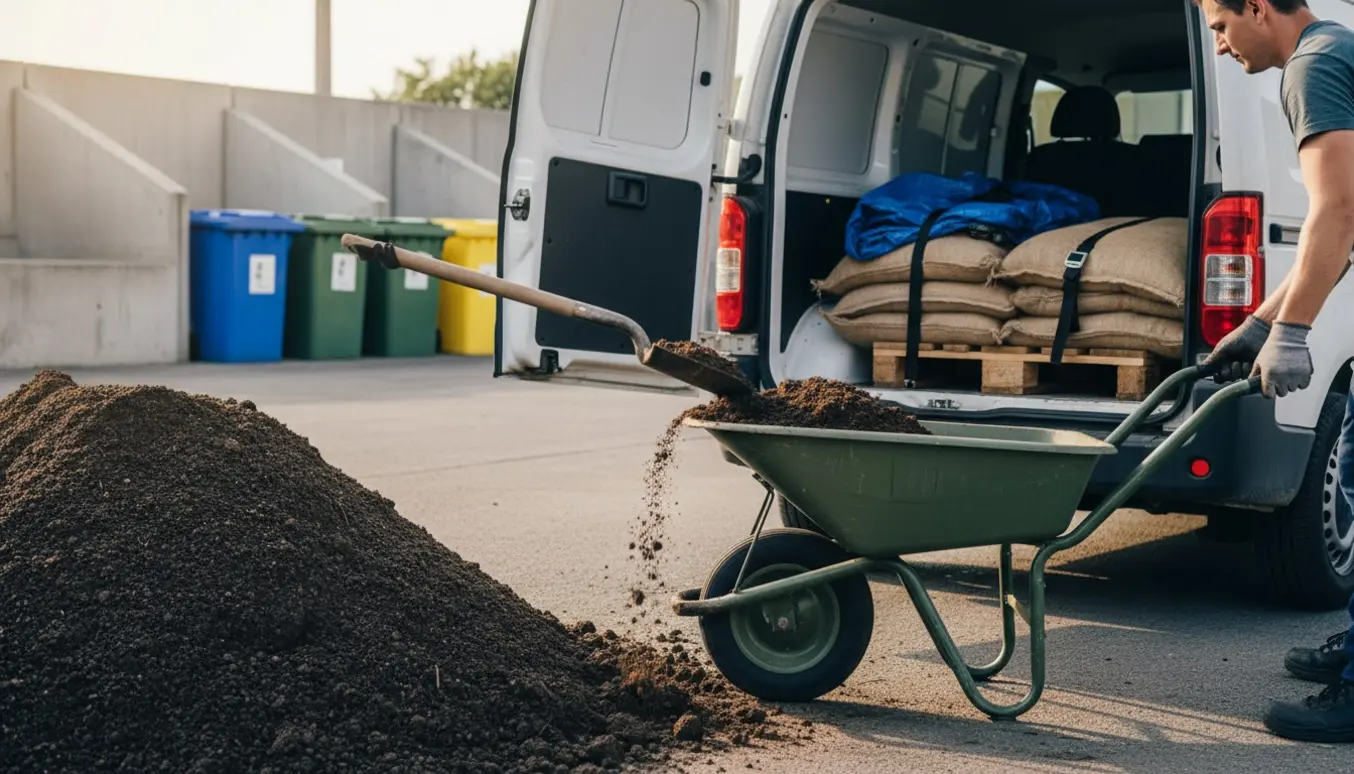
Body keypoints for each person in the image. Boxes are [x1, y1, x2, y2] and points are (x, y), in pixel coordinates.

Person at [1196, 0, 1354, 742]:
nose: (1219, 45)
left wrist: (1290, 334)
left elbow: (1337, 213)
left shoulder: (1313, 66)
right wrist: (1260, 322)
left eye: (1220, 26)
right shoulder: (1338, 48)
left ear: (1258, 7)